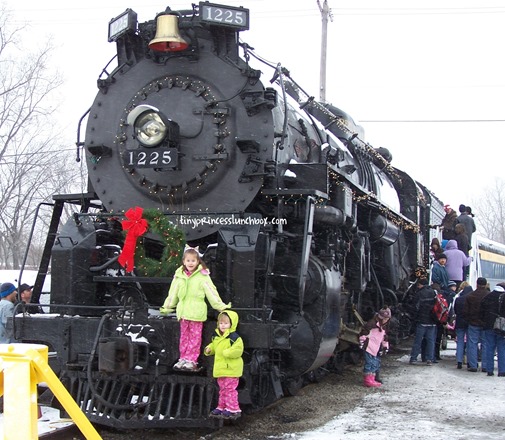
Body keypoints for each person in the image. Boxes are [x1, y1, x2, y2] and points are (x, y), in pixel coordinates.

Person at [160, 246, 230, 372]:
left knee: (195, 338)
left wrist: (220, 306)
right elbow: (173, 293)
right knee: (184, 337)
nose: (190, 263)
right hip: (183, 312)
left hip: (197, 313)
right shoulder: (179, 276)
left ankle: (192, 360)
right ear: (184, 261)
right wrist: (167, 307)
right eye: (188, 260)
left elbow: (211, 292)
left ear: (198, 261)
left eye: (193, 260)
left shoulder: (203, 276)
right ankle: (183, 358)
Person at [205, 310, 244, 419]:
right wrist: (209, 349)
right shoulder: (216, 337)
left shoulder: (234, 338)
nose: (223, 325)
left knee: (230, 389)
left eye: (226, 323)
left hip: (231, 369)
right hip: (221, 369)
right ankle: (222, 406)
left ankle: (233, 408)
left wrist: (228, 352)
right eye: (221, 323)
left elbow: (238, 350)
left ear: (232, 324)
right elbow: (214, 345)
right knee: (222, 389)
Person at [359, 307, 391, 387]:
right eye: (385, 319)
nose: (386, 320)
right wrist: (362, 342)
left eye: (387, 319)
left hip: (375, 348)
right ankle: (367, 380)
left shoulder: (383, 326)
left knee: (374, 363)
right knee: (369, 363)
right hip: (369, 346)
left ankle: (372, 378)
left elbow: (384, 338)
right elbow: (364, 333)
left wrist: (385, 347)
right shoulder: (372, 324)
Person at [462, 277, 489, 372]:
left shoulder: (470, 296)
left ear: (476, 284)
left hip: (473, 323)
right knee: (485, 344)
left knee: (472, 344)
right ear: (485, 285)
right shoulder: (489, 295)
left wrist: (469, 320)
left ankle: (473, 365)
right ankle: (485, 366)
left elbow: (465, 311)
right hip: (485, 324)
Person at [479, 283, 505, 377]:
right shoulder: (503, 297)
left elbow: (481, 312)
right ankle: (502, 371)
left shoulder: (487, 297)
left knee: (489, 347)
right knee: (502, 348)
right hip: (502, 327)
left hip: (488, 326)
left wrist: (484, 322)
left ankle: (489, 370)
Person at [409, 278, 437, 365]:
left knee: (418, 340)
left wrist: (414, 318)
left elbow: (415, 308)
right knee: (431, 341)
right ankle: (430, 359)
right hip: (432, 321)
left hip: (422, 320)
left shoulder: (419, 293)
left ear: (421, 285)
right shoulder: (433, 292)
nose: (418, 286)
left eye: (418, 285)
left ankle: (414, 358)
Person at [452, 281, 473, 369]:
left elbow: (455, 311)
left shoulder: (458, 299)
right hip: (469, 323)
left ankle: (459, 361)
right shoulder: (472, 300)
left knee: (460, 342)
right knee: (469, 343)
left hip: (460, 322)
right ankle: (469, 361)